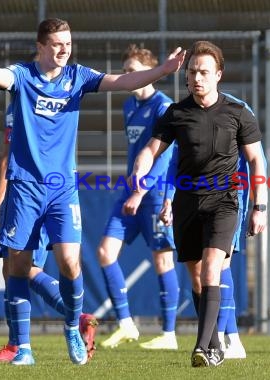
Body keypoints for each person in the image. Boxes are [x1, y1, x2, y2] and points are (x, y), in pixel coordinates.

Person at [0, 18, 185, 366]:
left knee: (69, 261)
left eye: (68, 43)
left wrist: (164, 69)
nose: (65, 49)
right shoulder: (23, 75)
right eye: (57, 44)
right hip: (24, 187)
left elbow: (124, 80)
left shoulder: (77, 77)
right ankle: (23, 349)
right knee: (17, 265)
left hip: (62, 188)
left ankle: (71, 327)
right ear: (41, 47)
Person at [126, 40, 267, 367]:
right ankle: (215, 341)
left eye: (204, 71)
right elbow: (152, 149)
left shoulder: (238, 112)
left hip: (225, 201)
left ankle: (203, 347)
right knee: (197, 278)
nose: (197, 77)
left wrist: (259, 207)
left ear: (218, 74)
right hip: (187, 203)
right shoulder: (175, 113)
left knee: (211, 269)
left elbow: (257, 160)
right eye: (192, 72)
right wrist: (140, 167)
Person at [0, 103, 98, 363]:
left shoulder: (20, 103)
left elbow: (8, 158)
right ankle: (24, 341)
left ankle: (25, 342)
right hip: (48, 191)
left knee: (21, 267)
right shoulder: (30, 98)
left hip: (30, 195)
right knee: (17, 267)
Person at [97, 45, 179, 350]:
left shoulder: (164, 107)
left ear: (147, 72)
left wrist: (142, 189)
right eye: (125, 71)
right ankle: (126, 324)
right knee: (105, 251)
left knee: (162, 259)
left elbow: (165, 156)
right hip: (129, 191)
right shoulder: (129, 106)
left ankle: (169, 334)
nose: (127, 76)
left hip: (153, 193)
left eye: (132, 71)